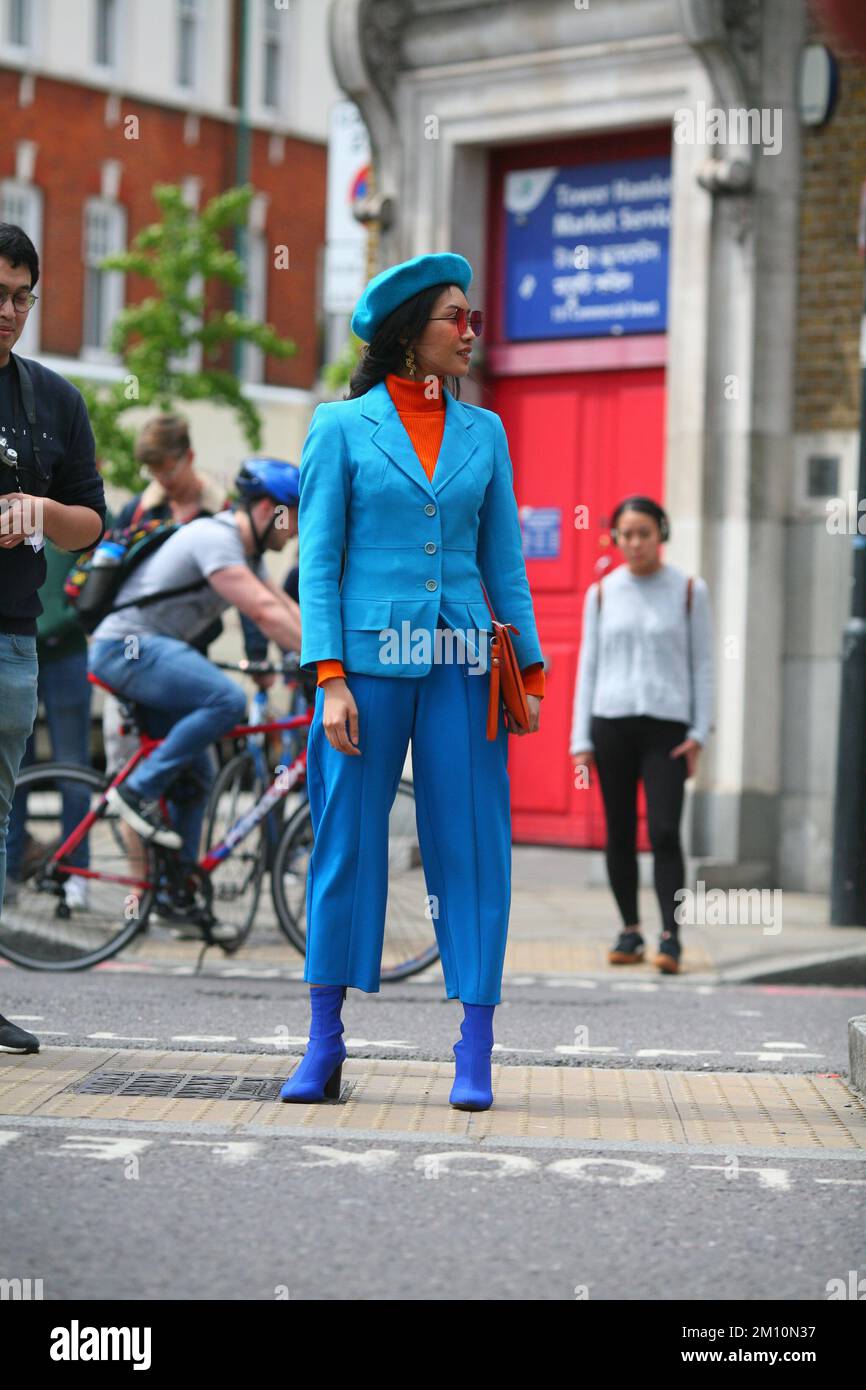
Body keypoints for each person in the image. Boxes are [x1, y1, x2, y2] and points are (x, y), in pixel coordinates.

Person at [282, 251, 545, 1112]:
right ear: (408, 338)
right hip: (362, 666)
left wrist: (530, 668)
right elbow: (318, 564)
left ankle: (476, 1046)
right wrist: (328, 678)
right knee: (345, 844)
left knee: (472, 851)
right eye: (457, 319)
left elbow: (502, 560)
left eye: (474, 318)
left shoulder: (489, 434)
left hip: (466, 664)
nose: (473, 332)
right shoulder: (339, 426)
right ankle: (324, 1043)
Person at [86, 459, 302, 932]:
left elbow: (285, 607)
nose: (296, 532)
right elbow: (265, 611)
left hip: (149, 652)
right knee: (226, 700)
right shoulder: (216, 539)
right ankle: (136, 792)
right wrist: (323, 665)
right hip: (125, 647)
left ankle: (174, 895)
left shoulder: (248, 555)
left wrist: (328, 655)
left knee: (196, 776)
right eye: (294, 516)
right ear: (268, 510)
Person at [0, 222, 106, 1054]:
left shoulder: (54, 400)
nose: (8, 311)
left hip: (12, 639)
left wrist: (39, 512)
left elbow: (90, 526)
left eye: (20, 297)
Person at [569, 496, 714, 975]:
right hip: (611, 724)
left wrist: (700, 731)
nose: (634, 543)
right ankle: (630, 930)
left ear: (661, 534)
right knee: (619, 831)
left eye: (644, 533)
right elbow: (587, 666)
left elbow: (704, 665)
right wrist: (580, 740)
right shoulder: (602, 593)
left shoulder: (691, 590)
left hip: (667, 730)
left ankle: (671, 937)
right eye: (625, 534)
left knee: (666, 830)